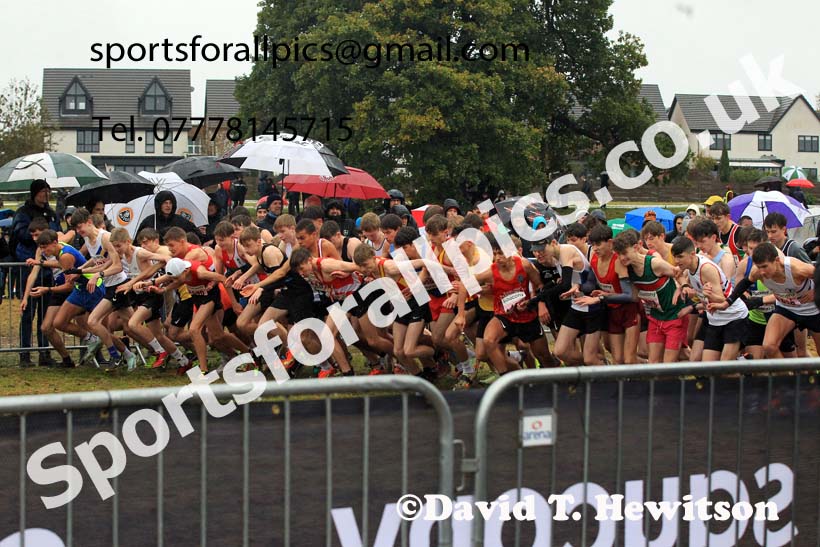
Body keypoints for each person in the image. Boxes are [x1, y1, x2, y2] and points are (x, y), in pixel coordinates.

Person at [12, 180, 62, 366]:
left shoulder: (51, 213)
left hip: (48, 269)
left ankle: (44, 352)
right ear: (34, 193)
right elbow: (20, 235)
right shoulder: (23, 213)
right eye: (42, 191)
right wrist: (41, 234)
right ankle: (24, 353)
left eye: (48, 191)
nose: (46, 194)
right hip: (28, 266)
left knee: (45, 314)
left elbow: (59, 234)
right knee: (27, 314)